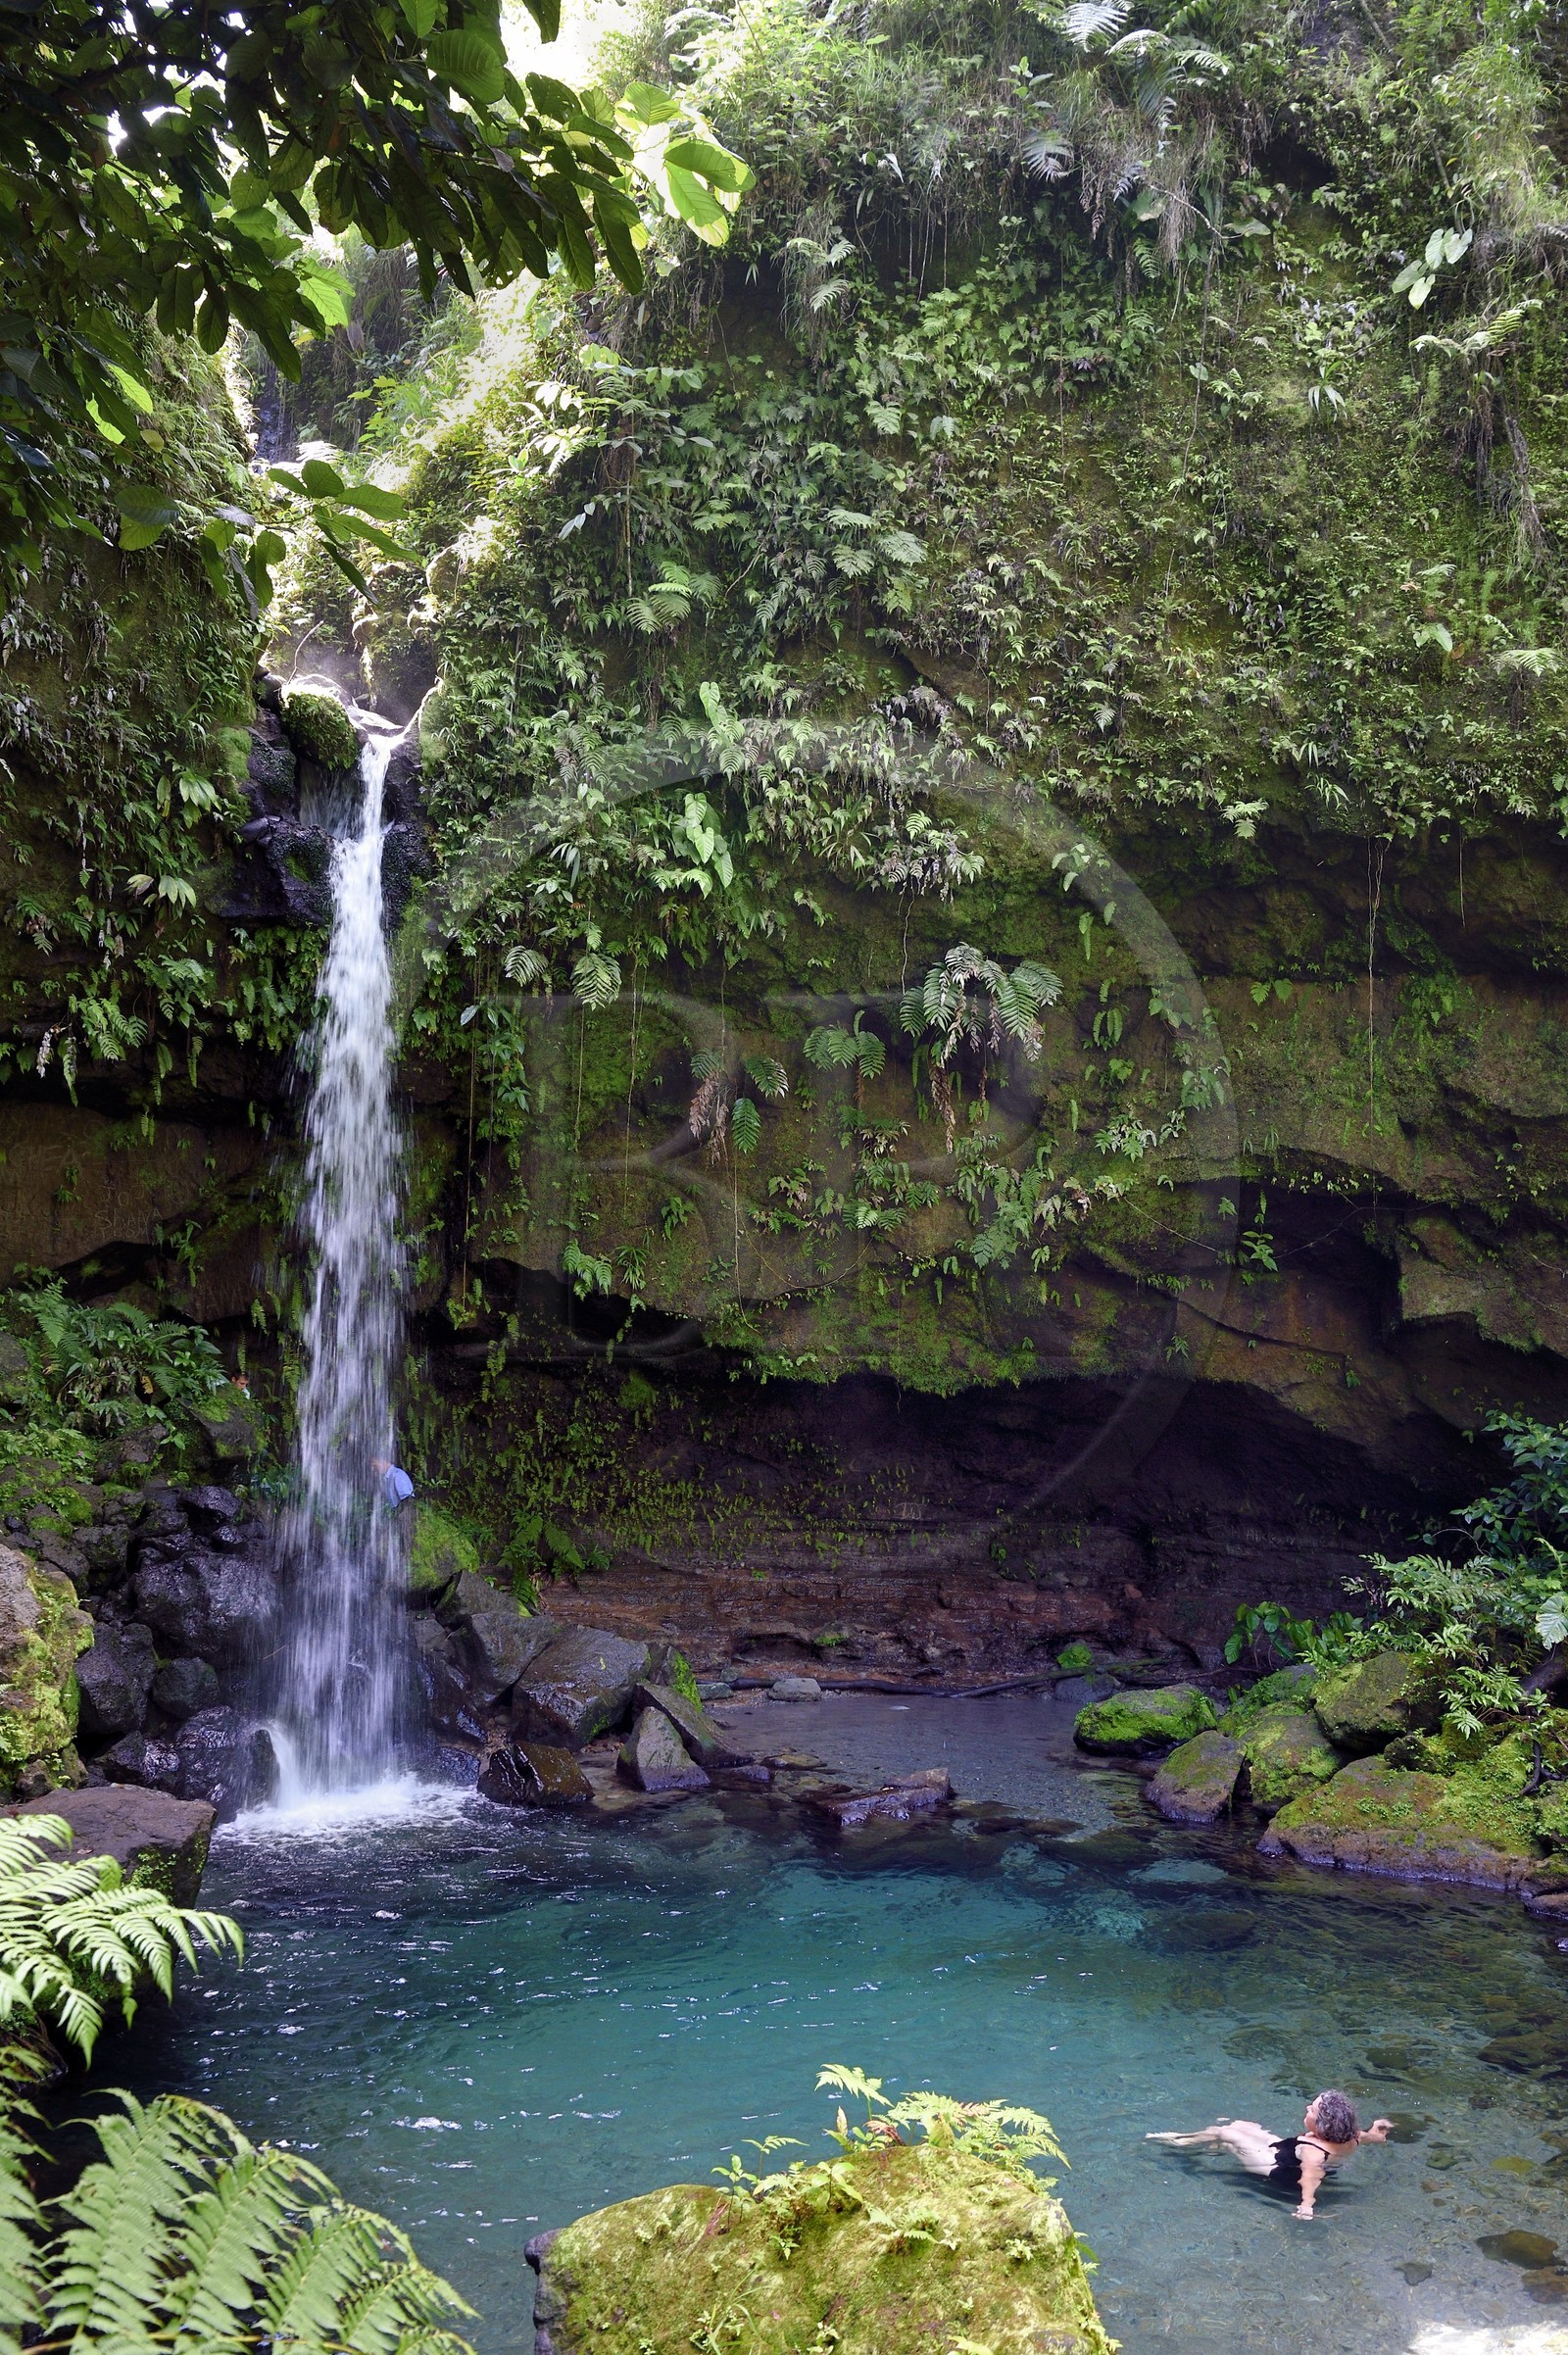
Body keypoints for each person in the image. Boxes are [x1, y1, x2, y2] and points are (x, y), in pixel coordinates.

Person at [1146, 2091, 1394, 2220]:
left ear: (1323, 2126)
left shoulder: (1312, 2152)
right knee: (1242, 2125)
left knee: (1226, 2133)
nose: (1307, 2108)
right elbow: (1368, 2137)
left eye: (1312, 2109)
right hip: (1285, 2151)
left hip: (1276, 2169)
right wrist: (1377, 2132)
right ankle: (1213, 2142)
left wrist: (1307, 2204)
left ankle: (1178, 2140)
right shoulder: (1351, 2136)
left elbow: (1311, 2177)